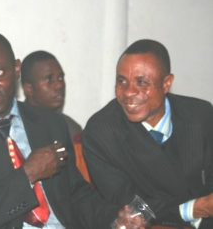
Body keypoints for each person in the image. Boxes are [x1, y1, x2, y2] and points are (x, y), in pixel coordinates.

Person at [0, 31, 127, 229]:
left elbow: (78, 198)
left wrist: (116, 217)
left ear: (17, 69)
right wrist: (27, 174)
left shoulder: (50, 124)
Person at [82, 39, 213, 228]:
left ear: (166, 83)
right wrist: (194, 208)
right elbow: (129, 206)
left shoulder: (200, 113)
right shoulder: (101, 132)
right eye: (121, 81)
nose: (128, 92)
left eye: (141, 82)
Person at [21, 50, 82, 140]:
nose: (59, 85)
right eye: (49, 79)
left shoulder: (72, 129)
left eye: (60, 77)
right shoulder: (16, 128)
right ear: (29, 88)